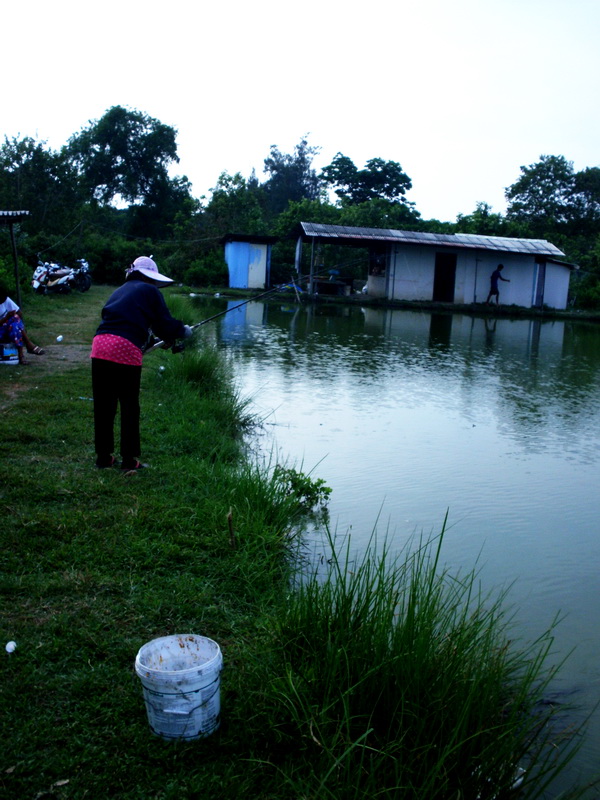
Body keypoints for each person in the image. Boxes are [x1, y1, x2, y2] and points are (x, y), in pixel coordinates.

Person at [90, 256, 192, 471]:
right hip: (124, 349)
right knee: (129, 406)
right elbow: (164, 322)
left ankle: (103, 458)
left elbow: (133, 323)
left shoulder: (121, 290)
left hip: (100, 345)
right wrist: (183, 331)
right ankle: (129, 461)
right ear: (151, 278)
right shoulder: (150, 291)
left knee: (104, 405)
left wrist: (159, 340)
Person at [0, 286, 45, 365]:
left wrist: (11, 316)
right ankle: (28, 345)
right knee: (13, 320)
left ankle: (22, 353)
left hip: (8, 327)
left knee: (15, 323)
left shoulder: (5, 300)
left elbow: (19, 312)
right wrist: (7, 317)